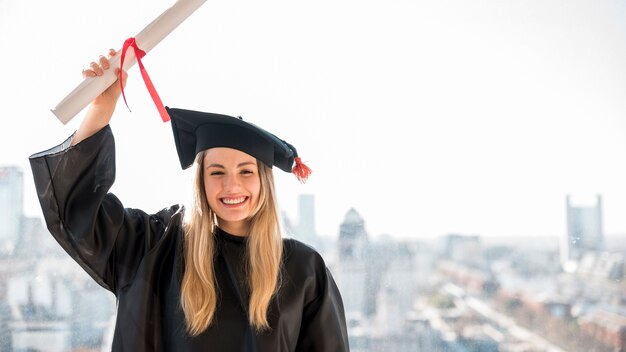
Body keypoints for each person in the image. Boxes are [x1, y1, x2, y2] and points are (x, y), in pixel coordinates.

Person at [29, 49, 350, 351]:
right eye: (216, 172)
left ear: (264, 180)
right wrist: (100, 110)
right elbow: (77, 214)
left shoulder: (304, 270)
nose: (231, 185)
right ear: (200, 179)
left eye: (246, 171)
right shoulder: (156, 247)